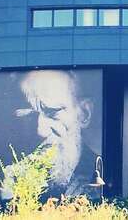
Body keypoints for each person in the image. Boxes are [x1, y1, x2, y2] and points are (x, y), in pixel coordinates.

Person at [7, 70, 100, 198]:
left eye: (52, 112)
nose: (41, 131)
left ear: (84, 113)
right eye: (28, 115)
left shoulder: (103, 173)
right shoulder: (9, 178)